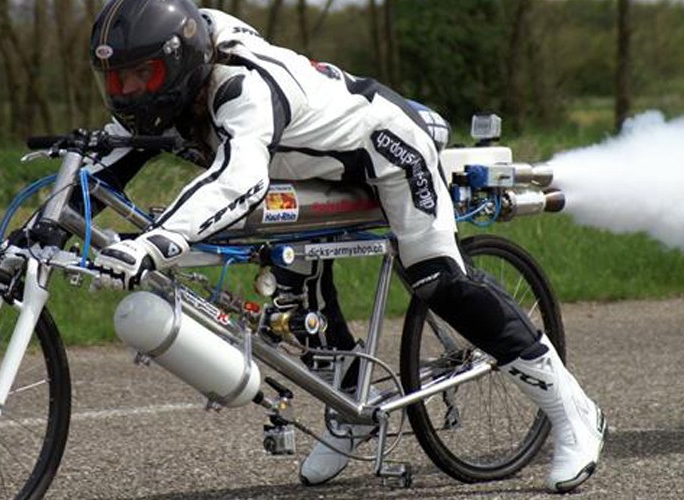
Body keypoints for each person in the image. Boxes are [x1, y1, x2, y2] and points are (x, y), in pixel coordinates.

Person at [83, 0, 605, 492]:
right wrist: (48, 224)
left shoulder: (242, 89)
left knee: (437, 280)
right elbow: (104, 165)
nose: (129, 92)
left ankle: (572, 410)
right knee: (292, 290)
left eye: (142, 75)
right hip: (307, 166)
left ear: (179, 61)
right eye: (117, 80)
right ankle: (354, 408)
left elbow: (239, 180)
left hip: (387, 149)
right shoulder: (180, 68)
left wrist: (155, 243)